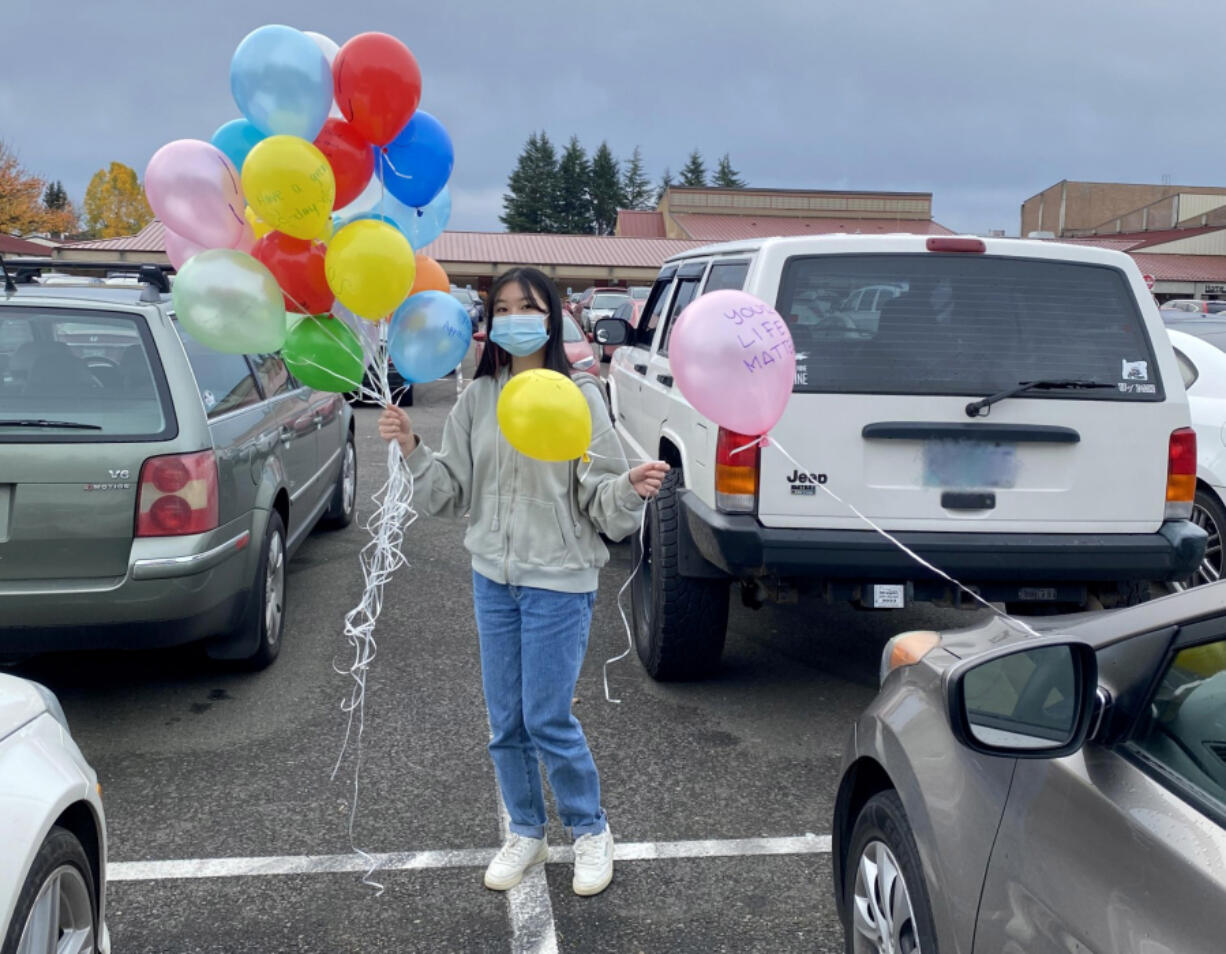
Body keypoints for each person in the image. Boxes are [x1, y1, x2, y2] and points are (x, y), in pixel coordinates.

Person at [378, 266, 669, 897]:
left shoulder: (580, 395)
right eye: (502, 307)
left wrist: (629, 487)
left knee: (546, 717)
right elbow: (448, 494)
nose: (513, 318)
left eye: (527, 307)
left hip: (559, 580)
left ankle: (590, 830)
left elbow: (601, 499)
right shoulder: (477, 399)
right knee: (505, 720)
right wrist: (411, 447)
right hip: (493, 576)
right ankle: (527, 832)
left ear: (551, 316)